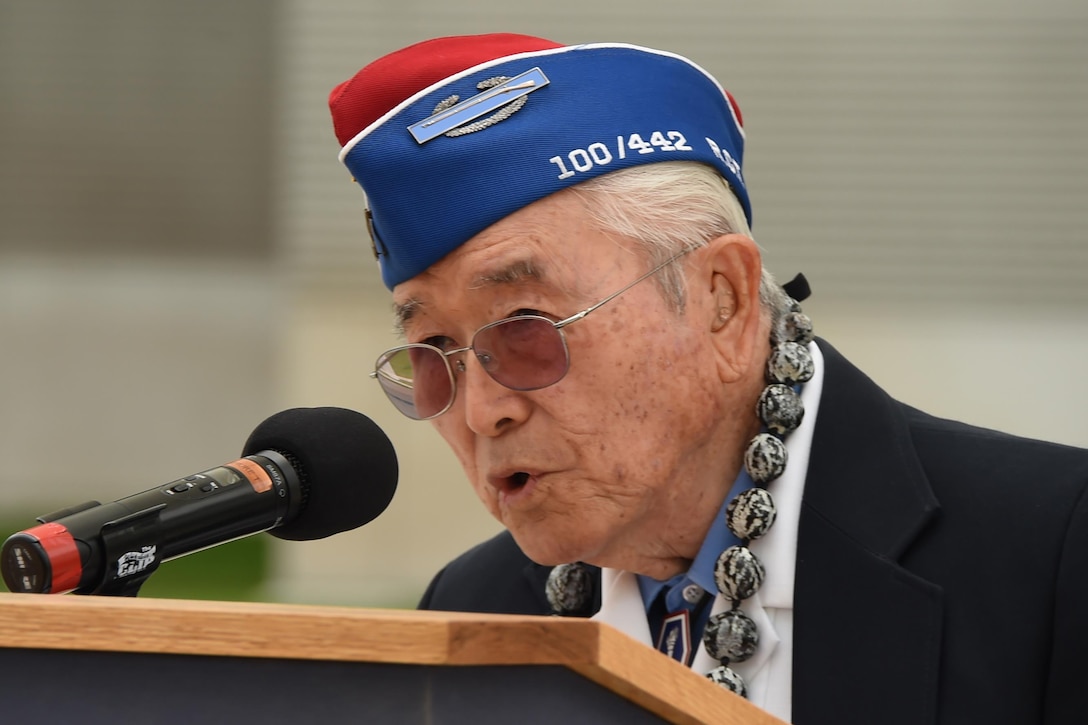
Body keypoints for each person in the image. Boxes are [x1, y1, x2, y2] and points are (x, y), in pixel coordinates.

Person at [327, 33, 1088, 724]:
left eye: (525, 328)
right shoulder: (474, 611)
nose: (483, 411)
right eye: (431, 349)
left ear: (720, 296)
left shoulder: (1052, 553)